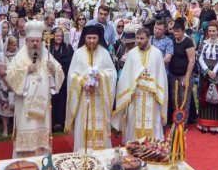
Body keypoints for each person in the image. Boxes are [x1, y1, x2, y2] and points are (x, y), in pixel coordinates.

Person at [6, 21, 63, 158]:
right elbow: (10, 74)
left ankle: (42, 157)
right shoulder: (20, 56)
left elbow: (60, 71)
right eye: (32, 41)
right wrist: (25, 70)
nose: (35, 44)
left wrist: (54, 70)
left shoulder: (46, 54)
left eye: (37, 41)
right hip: (25, 104)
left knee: (41, 133)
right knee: (26, 126)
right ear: (27, 41)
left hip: (42, 106)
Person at [113, 24, 168, 143]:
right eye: (137, 38)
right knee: (133, 120)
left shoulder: (157, 53)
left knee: (152, 121)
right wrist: (129, 90)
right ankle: (133, 145)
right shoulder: (132, 54)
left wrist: (157, 91)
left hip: (152, 95)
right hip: (135, 95)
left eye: (142, 38)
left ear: (148, 38)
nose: (139, 41)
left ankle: (153, 146)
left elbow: (161, 76)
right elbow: (126, 77)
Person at [65, 24, 116, 152]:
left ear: (99, 38)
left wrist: (102, 77)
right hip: (83, 98)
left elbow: (112, 74)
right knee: (83, 127)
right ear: (84, 38)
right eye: (89, 38)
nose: (92, 41)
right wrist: (81, 82)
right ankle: (82, 155)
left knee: (101, 129)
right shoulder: (78, 53)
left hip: (100, 99)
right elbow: (72, 75)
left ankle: (103, 155)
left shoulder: (104, 53)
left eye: (94, 38)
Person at [197, 22, 218, 134]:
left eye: (214, 31)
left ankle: (216, 125)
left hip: (217, 73)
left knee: (216, 97)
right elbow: (199, 57)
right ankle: (204, 123)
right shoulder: (203, 43)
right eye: (210, 31)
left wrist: (214, 72)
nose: (212, 33)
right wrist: (207, 70)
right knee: (204, 96)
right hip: (205, 72)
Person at [167, 18, 196, 127]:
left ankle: (183, 124)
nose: (176, 33)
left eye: (178, 31)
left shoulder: (188, 41)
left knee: (184, 99)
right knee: (175, 100)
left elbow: (192, 60)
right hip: (173, 75)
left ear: (183, 31)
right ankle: (176, 121)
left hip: (184, 75)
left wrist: (187, 77)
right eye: (174, 31)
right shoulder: (171, 40)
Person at [46, 26, 73, 132]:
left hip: (63, 79)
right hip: (51, 79)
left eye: (61, 36)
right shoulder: (48, 47)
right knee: (52, 101)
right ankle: (51, 123)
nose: (59, 38)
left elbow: (70, 62)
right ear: (53, 36)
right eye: (57, 36)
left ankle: (61, 123)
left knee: (62, 102)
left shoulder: (67, 47)